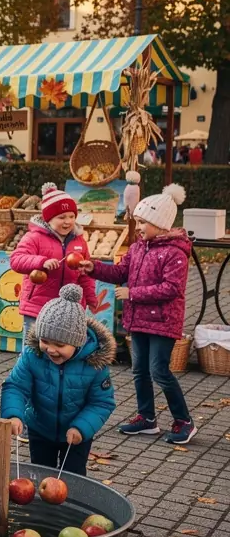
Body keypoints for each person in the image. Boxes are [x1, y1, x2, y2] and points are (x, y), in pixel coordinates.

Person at [86, 183, 195, 444]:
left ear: (160, 224)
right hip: (138, 321)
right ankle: (147, 418)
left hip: (162, 322)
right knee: (139, 370)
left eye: (143, 222)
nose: (139, 226)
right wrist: (94, 268)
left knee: (159, 371)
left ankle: (184, 421)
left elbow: (172, 288)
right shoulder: (137, 248)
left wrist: (132, 293)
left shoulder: (175, 253)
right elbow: (119, 272)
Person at [1, 285, 116, 476]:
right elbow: (16, 386)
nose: (51, 349)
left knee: (73, 478)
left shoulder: (94, 364)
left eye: (60, 345)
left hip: (76, 435)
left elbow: (102, 402)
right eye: (45, 341)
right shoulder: (32, 355)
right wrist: (14, 414)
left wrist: (81, 428)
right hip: (40, 429)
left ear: (77, 342)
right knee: (41, 475)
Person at [9, 182, 96, 343]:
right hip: (38, 306)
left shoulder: (79, 241)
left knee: (61, 348)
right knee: (33, 347)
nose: (67, 221)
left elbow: (85, 274)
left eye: (71, 216)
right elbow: (16, 260)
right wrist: (41, 262)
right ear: (48, 218)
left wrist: (90, 297)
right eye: (61, 217)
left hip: (67, 309)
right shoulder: (34, 237)